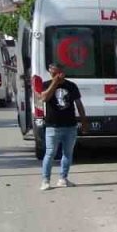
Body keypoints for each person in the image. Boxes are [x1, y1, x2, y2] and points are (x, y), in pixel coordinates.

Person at [38, 63, 88, 191]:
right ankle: (45, 180)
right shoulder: (45, 84)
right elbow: (44, 98)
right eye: (53, 72)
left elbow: (79, 104)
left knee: (68, 153)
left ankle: (63, 178)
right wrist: (55, 83)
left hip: (70, 126)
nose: (56, 75)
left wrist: (84, 121)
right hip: (52, 126)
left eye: (58, 72)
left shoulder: (71, 86)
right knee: (50, 153)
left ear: (63, 72)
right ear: (50, 72)